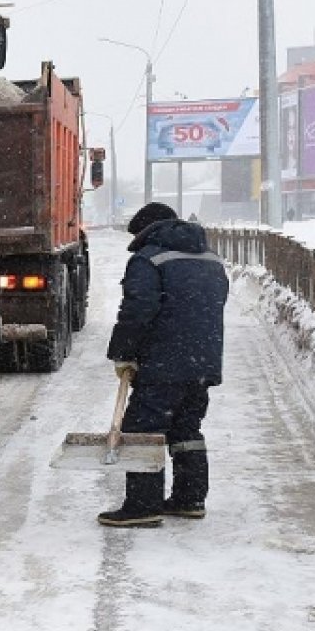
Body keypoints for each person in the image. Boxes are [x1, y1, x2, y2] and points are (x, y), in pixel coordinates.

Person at [99, 202, 229, 527]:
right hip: (203, 362)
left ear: (147, 232)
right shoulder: (209, 258)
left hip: (163, 363)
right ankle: (189, 499)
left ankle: (143, 507)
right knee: (186, 428)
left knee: (143, 428)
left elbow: (138, 308)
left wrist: (123, 352)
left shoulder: (149, 259)